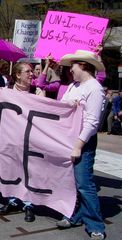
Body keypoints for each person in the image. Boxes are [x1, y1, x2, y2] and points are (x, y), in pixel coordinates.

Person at [56, 50, 106, 240]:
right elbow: (62, 106)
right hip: (69, 138)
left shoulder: (94, 88)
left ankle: (95, 225)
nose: (71, 71)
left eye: (73, 66)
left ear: (83, 65)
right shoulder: (74, 86)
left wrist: (78, 145)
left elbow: (92, 122)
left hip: (83, 141)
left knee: (85, 184)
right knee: (73, 183)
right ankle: (75, 216)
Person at [0, 62, 44, 223]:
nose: (31, 74)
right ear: (17, 75)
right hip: (9, 140)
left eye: (32, 71)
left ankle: (28, 204)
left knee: (28, 172)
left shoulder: (37, 93)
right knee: (10, 171)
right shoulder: (5, 93)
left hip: (30, 142)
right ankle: (11, 200)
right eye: (28, 72)